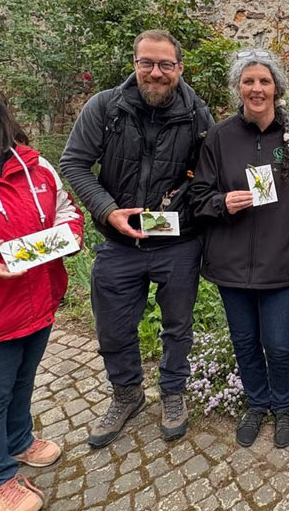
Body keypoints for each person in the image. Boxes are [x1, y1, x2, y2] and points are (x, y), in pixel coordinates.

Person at [60, 29, 213, 447]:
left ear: (180, 69)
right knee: (112, 327)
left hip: (178, 244)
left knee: (177, 326)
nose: (156, 72)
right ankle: (127, 394)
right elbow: (73, 163)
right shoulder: (105, 107)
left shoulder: (199, 116)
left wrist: (190, 201)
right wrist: (107, 209)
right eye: (147, 63)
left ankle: (173, 392)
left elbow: (208, 177)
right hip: (119, 242)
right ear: (135, 64)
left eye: (165, 64)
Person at [0, 75, 84, 511]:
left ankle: (17, 441)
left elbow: (67, 212)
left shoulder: (33, 165)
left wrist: (69, 236)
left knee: (20, 382)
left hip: (36, 301)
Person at [190, 48, 289, 449]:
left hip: (279, 263)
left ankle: (284, 406)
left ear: (277, 88)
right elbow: (199, 195)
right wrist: (221, 203)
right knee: (244, 341)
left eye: (264, 81)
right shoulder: (220, 138)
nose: (256, 88)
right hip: (230, 262)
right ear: (238, 88)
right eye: (249, 81)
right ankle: (256, 403)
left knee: (279, 343)